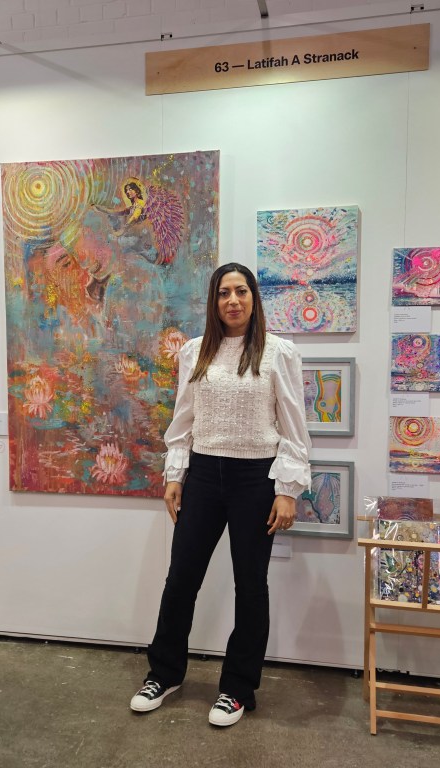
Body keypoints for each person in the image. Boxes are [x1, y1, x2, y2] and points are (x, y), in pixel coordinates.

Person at [130, 262, 311, 727]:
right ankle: (164, 673)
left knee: (250, 585)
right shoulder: (195, 351)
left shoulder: (279, 352)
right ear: (214, 301)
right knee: (181, 578)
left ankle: (237, 688)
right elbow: (184, 419)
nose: (233, 301)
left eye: (241, 292)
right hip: (204, 476)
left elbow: (294, 426)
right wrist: (176, 473)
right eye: (224, 293)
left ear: (254, 298)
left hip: (256, 479)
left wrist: (287, 490)